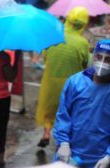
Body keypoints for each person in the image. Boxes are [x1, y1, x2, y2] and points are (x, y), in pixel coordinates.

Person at [54, 39, 110, 168]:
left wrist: (109, 156)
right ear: (93, 56)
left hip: (100, 160)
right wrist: (63, 143)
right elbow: (63, 115)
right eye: (99, 57)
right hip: (70, 154)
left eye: (108, 59)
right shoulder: (75, 82)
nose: (102, 62)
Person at [36, 7, 90, 147]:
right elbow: (86, 64)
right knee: (69, 111)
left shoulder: (55, 35)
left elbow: (45, 56)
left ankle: (46, 133)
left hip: (51, 79)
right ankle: (64, 141)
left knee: (49, 109)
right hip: (72, 84)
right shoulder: (82, 43)